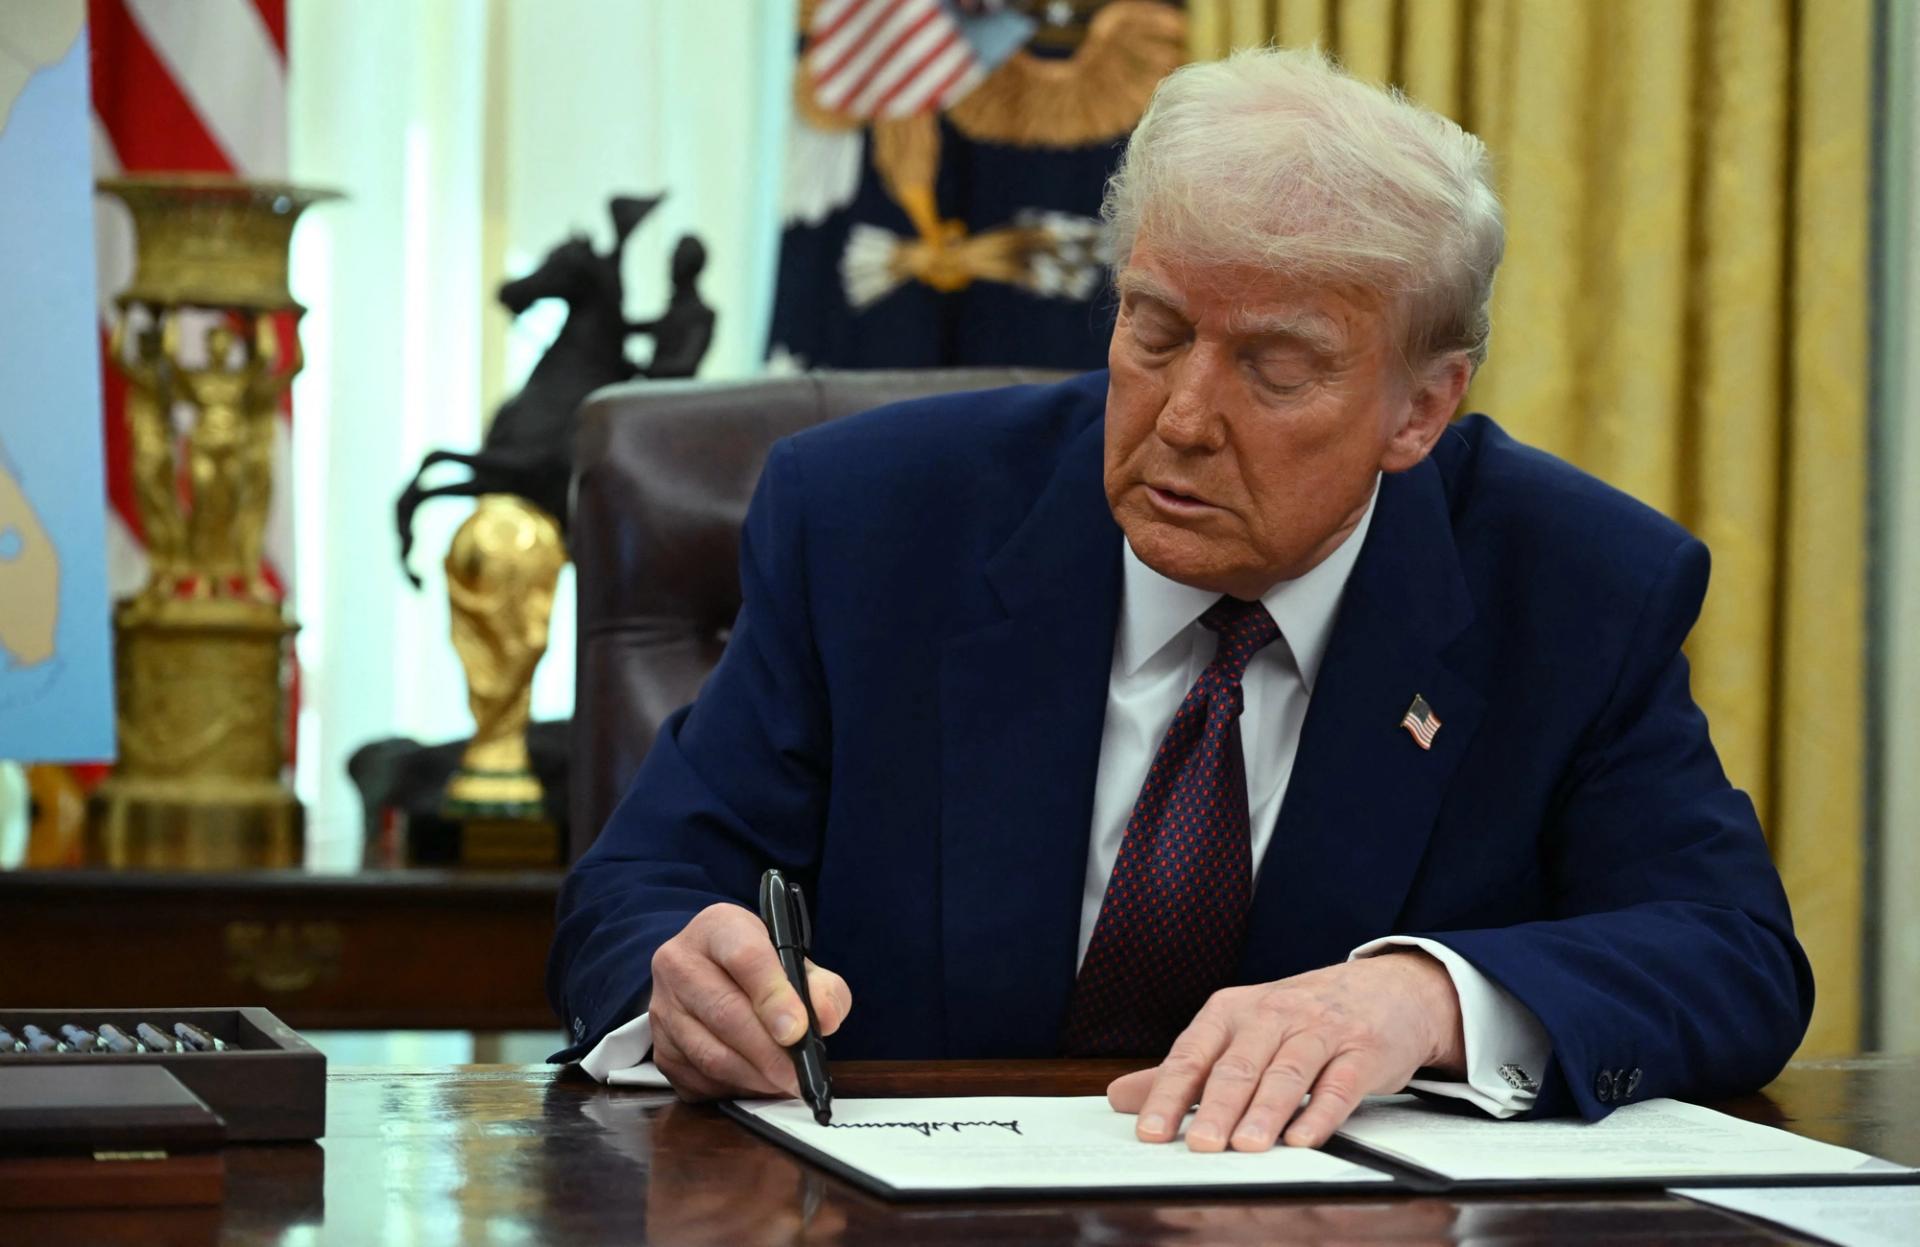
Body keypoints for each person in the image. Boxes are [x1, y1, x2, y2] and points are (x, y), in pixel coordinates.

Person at [548, 46, 1812, 1152]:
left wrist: (1423, 998)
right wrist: (681, 983)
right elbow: (641, 884)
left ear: (1421, 408)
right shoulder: (876, 522)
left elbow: (1735, 955)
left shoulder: (1573, 584)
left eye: (1275, 367)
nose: (1185, 418)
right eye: (1154, 332)